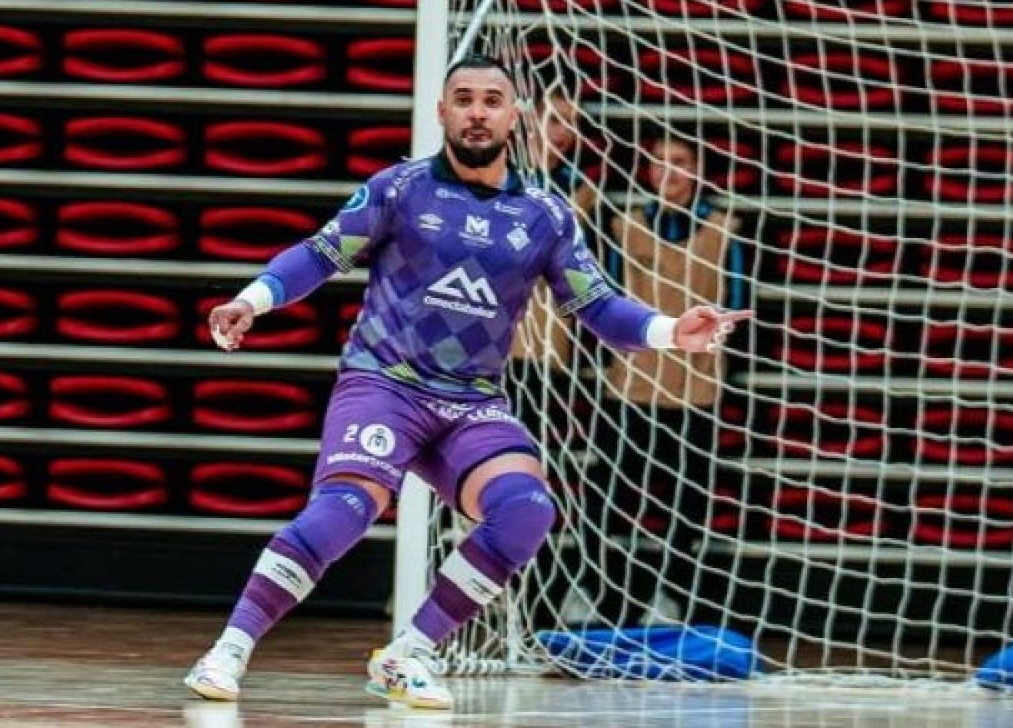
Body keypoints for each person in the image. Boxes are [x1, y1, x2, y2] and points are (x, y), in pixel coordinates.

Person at [186, 55, 752, 709]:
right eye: (464, 99)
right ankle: (228, 650)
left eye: (492, 100)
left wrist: (669, 330)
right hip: (386, 383)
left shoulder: (546, 214)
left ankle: (409, 653)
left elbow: (597, 306)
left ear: (514, 117)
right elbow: (320, 252)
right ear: (442, 111)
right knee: (344, 511)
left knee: (526, 510)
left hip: (471, 402)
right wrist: (252, 301)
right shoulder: (399, 189)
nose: (477, 111)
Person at [573, 136, 751, 628]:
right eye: (657, 162)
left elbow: (739, 301)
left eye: (679, 162)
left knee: (684, 503)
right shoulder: (623, 227)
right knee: (605, 497)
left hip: (695, 390)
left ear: (698, 170)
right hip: (629, 385)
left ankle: (670, 599)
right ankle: (594, 592)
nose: (667, 171)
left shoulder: (724, 231)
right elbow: (604, 304)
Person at [510, 86, 598, 369]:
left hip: (548, 342)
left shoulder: (582, 190)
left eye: (572, 123)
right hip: (486, 338)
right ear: (531, 119)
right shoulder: (495, 176)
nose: (563, 133)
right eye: (555, 120)